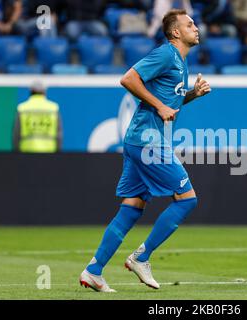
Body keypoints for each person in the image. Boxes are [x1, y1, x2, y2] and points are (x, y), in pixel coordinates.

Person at [79, 9, 211, 292]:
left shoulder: (180, 62)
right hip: (149, 142)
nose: (195, 28)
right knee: (187, 200)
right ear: (175, 32)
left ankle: (94, 270)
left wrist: (192, 95)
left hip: (140, 140)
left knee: (132, 207)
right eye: (189, 25)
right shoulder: (165, 54)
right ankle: (142, 257)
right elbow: (128, 79)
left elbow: (168, 107)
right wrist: (161, 106)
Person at [13, 81, 63, 153]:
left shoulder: (22, 108)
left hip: (26, 151)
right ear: (44, 92)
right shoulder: (53, 108)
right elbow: (59, 134)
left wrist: (16, 152)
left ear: (30, 92)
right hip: (49, 152)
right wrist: (58, 151)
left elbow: (16, 133)